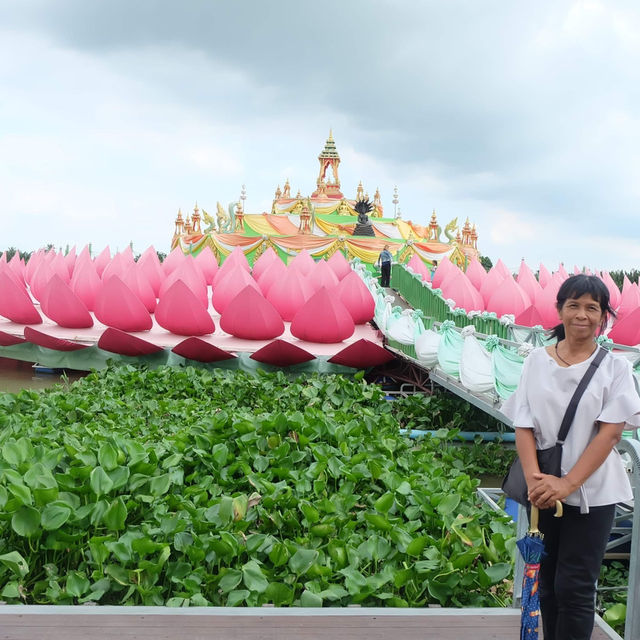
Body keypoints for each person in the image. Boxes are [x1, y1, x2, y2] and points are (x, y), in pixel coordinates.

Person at [502, 274, 640, 640]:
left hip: (593, 494)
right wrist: (535, 480)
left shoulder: (616, 368)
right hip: (543, 490)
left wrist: (567, 484)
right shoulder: (535, 360)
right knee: (546, 583)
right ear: (560, 310)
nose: (582, 314)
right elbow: (524, 423)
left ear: (603, 316)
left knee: (575, 588)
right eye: (574, 305)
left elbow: (611, 432)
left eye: (592, 307)